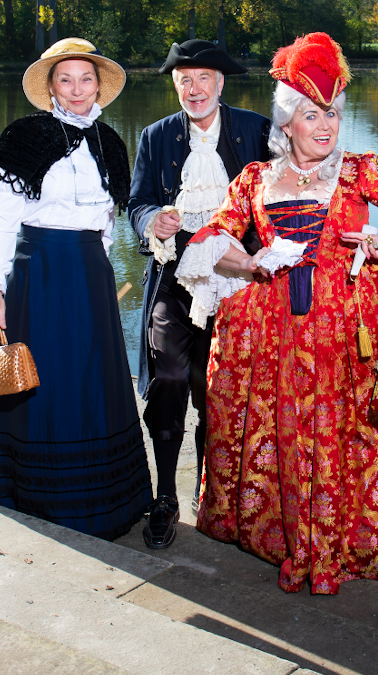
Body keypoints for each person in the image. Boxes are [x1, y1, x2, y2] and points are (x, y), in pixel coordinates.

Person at [176, 32, 378, 597]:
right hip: (276, 331)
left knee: (347, 438)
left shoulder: (360, 170)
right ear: (287, 123)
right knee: (286, 434)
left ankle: (345, 545)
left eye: (333, 115)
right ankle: (289, 540)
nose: (325, 126)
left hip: (346, 331)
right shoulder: (253, 178)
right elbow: (208, 240)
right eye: (311, 115)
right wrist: (250, 263)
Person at [0, 38, 153, 541]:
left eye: (86, 78)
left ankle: (98, 503)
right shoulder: (23, 137)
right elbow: (2, 219)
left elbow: (109, 221)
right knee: (38, 382)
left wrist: (100, 271)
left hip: (88, 273)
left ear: (98, 85)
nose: (77, 88)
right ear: (50, 88)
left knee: (89, 378)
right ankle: (26, 492)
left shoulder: (111, 142)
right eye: (65, 79)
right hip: (38, 271)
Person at [126, 39, 271, 549]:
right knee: (167, 376)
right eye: (184, 80)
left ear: (221, 83)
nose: (194, 89)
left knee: (222, 391)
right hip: (175, 273)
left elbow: (285, 192)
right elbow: (137, 201)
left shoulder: (255, 129)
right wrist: (153, 221)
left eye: (203, 78)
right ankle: (164, 495)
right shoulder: (156, 136)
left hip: (238, 279)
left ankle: (216, 496)